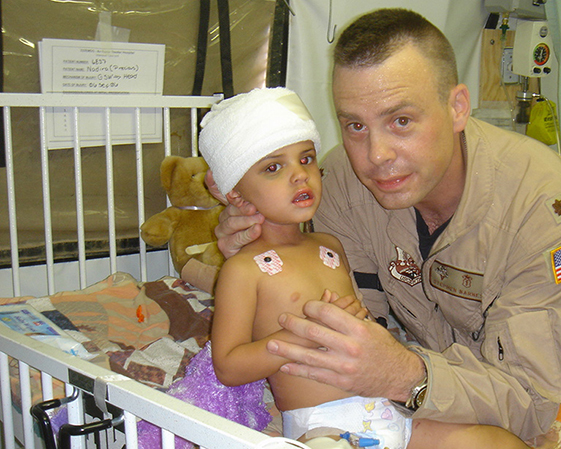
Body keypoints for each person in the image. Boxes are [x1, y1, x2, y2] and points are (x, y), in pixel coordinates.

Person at [207, 9, 561, 441]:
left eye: (401, 121)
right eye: (354, 125)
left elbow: (531, 398)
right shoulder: (342, 186)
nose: (376, 155)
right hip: (420, 402)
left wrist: (405, 374)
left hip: (553, 407)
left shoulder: (541, 206)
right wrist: (248, 238)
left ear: (457, 107)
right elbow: (352, 315)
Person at [201, 87, 529, 449]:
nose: (299, 176)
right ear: (235, 194)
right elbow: (228, 366)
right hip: (324, 428)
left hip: (387, 407)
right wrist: (303, 337)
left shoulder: (329, 246)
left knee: (497, 442)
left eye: (306, 159)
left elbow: (367, 320)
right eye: (274, 168)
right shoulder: (244, 269)